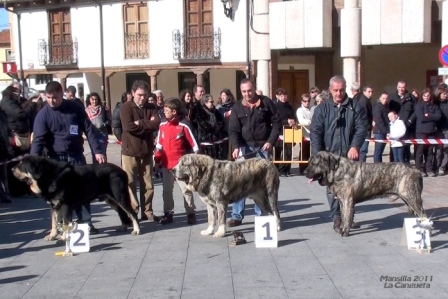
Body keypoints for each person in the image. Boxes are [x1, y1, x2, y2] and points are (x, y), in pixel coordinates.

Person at [30, 81, 106, 234]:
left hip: (76, 155)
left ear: (62, 93)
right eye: (49, 97)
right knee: (57, 194)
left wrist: (97, 151)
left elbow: (89, 129)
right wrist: (33, 163)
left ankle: (86, 223)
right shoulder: (43, 115)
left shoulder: (75, 108)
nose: (51, 101)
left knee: (82, 190)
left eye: (55, 97)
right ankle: (59, 226)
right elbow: (38, 140)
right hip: (55, 159)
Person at [310, 75, 367, 233]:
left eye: (341, 90)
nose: (338, 93)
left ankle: (348, 217)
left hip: (349, 156)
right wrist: (318, 155)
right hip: (330, 156)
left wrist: (355, 145)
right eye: (335, 90)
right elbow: (316, 132)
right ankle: (336, 218)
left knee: (351, 187)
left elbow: (362, 128)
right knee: (332, 188)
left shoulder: (356, 106)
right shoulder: (322, 109)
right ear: (330, 90)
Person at [227, 79, 281, 227]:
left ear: (254, 89)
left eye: (249, 91)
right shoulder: (237, 106)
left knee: (261, 184)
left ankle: (261, 215)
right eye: (244, 92)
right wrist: (236, 147)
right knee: (239, 183)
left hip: (262, 148)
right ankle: (237, 216)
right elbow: (233, 130)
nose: (247, 94)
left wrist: (270, 141)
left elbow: (276, 123)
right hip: (244, 149)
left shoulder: (266, 103)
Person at [154, 97, 200, 225]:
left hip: (181, 164)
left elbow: (194, 144)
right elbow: (159, 144)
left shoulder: (184, 125)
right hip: (166, 164)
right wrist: (157, 160)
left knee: (185, 189)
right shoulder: (162, 125)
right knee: (167, 190)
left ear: (174, 112)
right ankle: (168, 213)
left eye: (167, 110)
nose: (164, 112)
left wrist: (197, 160)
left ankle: (191, 213)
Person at [120, 80, 160, 222]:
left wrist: (141, 123)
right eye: (139, 95)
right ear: (132, 94)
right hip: (130, 151)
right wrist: (147, 123)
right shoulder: (126, 108)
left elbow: (156, 124)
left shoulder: (151, 107)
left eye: (144, 95)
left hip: (147, 151)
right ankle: (134, 212)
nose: (142, 98)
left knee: (148, 183)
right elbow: (128, 127)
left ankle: (147, 211)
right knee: (130, 183)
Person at [85, 92, 110, 163]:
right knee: (95, 153)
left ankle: (104, 170)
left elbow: (109, 119)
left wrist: (104, 124)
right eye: (92, 99)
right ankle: (96, 171)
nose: (94, 101)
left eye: (96, 99)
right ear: (89, 100)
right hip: (92, 135)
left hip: (102, 134)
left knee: (102, 153)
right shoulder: (86, 110)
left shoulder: (103, 108)